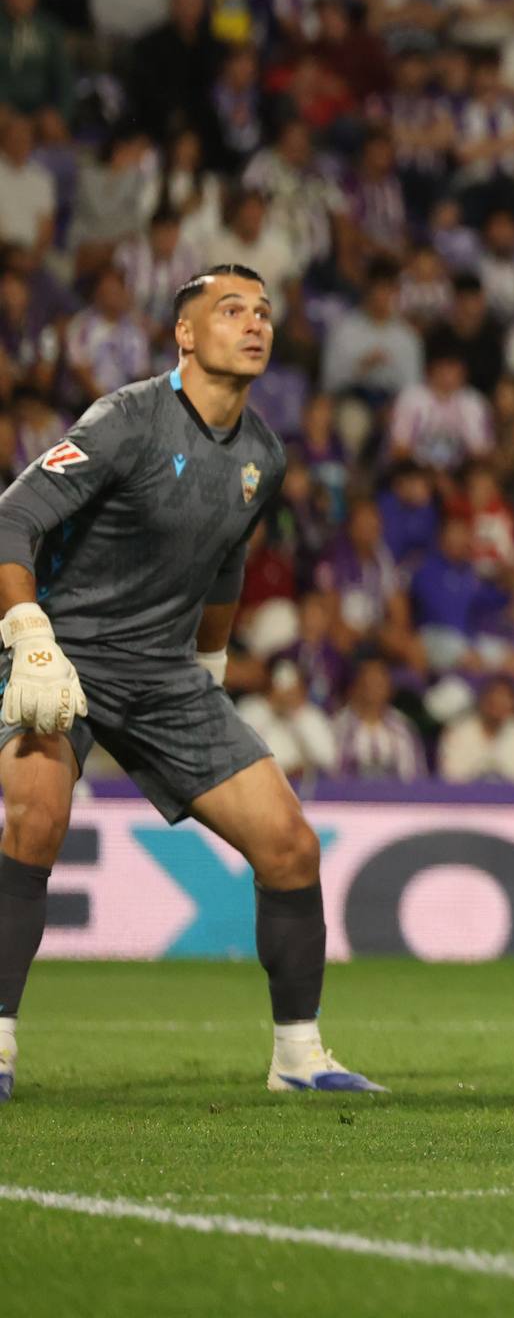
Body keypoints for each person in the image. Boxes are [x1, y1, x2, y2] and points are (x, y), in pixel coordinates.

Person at [0, 266, 380, 1101]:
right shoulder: (126, 420)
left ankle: (298, 1058)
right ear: (185, 333)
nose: (255, 324)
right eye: (231, 310)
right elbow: (12, 516)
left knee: (290, 846)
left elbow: (225, 564)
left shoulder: (263, 456)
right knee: (36, 820)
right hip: (62, 654)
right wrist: (28, 635)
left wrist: (209, 666)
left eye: (264, 313)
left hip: (163, 672)